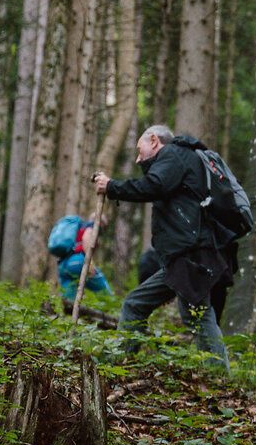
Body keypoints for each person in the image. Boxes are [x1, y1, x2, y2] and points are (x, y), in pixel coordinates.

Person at [93, 124, 232, 369]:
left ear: (154, 141)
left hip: (190, 255)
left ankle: (220, 377)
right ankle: (121, 363)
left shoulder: (173, 155)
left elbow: (153, 186)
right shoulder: (181, 160)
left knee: (198, 317)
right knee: (136, 304)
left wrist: (112, 186)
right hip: (184, 256)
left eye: (140, 150)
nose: (138, 158)